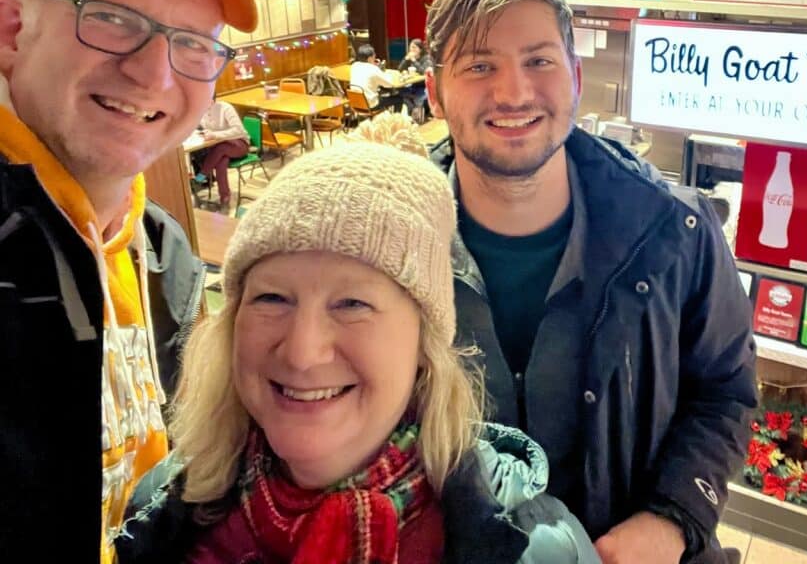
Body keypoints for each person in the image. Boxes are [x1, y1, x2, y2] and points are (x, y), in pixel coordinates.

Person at [117, 113, 600, 564]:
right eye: (271, 299)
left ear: (422, 345)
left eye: (352, 304)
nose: (303, 353)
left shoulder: (537, 549)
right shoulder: (161, 513)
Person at [424, 0, 757, 564]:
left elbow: (725, 392)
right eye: (478, 65)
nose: (514, 92)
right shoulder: (389, 242)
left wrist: (673, 517)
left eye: (539, 61)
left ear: (575, 76)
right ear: (434, 91)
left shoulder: (673, 234)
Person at [0, 0, 258, 563]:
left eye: (193, 44)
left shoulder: (161, 250)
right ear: (11, 31)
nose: (154, 74)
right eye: (112, 20)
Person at [195, 99, 250, 210]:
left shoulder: (225, 108)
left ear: (211, 99)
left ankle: (201, 177)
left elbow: (238, 130)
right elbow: (202, 127)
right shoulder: (200, 109)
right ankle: (225, 199)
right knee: (221, 162)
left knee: (221, 148)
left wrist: (215, 135)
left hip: (239, 144)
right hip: (219, 148)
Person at [350, 42, 403, 112]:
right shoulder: (373, 69)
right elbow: (389, 84)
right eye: (374, 56)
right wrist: (381, 71)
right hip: (370, 105)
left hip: (356, 104)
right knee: (398, 99)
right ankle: (396, 121)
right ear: (369, 58)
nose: (375, 58)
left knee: (380, 92)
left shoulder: (354, 65)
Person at [398, 37, 433, 121]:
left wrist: (413, 60)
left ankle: (417, 114)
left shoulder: (427, 58)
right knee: (400, 93)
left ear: (420, 49)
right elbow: (400, 69)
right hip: (413, 84)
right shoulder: (409, 57)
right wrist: (406, 59)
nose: (411, 49)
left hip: (424, 86)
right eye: (410, 47)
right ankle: (413, 110)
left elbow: (424, 72)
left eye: (414, 47)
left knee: (419, 97)